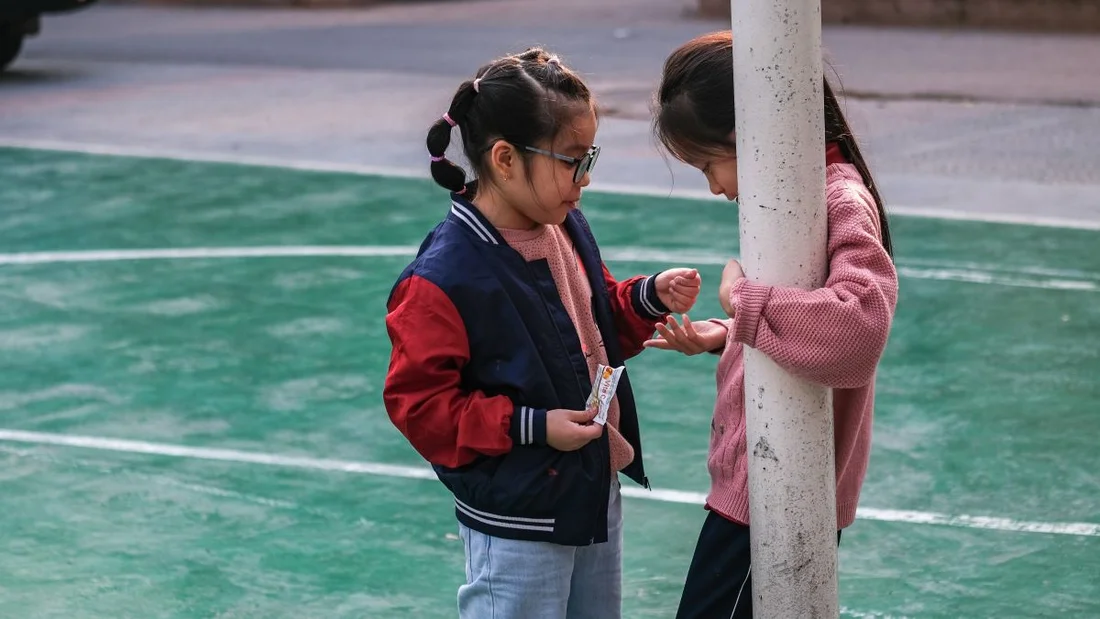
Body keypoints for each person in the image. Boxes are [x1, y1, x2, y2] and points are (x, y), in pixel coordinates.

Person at [383, 47, 701, 619]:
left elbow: (591, 319)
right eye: (571, 160)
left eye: (590, 158)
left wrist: (647, 297)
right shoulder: (444, 278)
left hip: (589, 486)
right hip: (519, 515)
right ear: (505, 159)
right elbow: (421, 407)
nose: (585, 179)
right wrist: (533, 427)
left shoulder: (563, 225)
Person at [645, 31, 900, 619]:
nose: (713, 187)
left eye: (710, 164)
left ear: (749, 137)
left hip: (778, 493)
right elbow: (804, 308)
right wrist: (728, 332)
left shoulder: (837, 198)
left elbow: (857, 330)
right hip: (758, 484)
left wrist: (744, 304)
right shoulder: (794, 194)